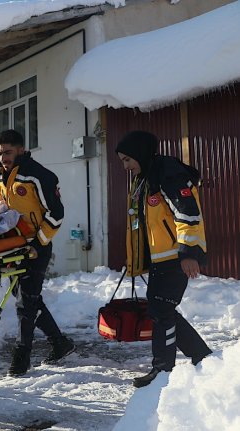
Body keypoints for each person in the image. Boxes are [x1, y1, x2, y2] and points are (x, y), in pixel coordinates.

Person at [115, 130, 212, 388]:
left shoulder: (167, 173)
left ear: (139, 153)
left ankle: (163, 370)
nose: (125, 166)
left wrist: (189, 253)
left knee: (160, 309)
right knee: (162, 309)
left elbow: (188, 213)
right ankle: (202, 357)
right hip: (162, 258)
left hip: (175, 256)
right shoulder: (146, 177)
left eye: (127, 159)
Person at [0, 129, 74, 376]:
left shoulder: (39, 176)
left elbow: (56, 214)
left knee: (25, 303)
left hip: (37, 247)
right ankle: (60, 343)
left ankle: (22, 356)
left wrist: (38, 244)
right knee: (30, 300)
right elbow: (4, 215)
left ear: (20, 149)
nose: (3, 157)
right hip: (13, 248)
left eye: (7, 152)